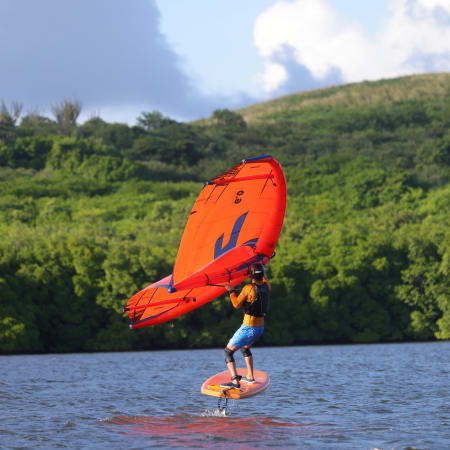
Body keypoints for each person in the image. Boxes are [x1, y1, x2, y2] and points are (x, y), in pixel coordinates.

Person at [220, 263, 270, 389]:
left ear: (251, 276)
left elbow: (236, 304)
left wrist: (231, 291)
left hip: (248, 328)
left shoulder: (248, 288)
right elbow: (263, 278)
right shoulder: (267, 286)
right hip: (260, 328)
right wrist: (261, 264)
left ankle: (235, 382)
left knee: (227, 353)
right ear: (263, 275)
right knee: (244, 348)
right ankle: (250, 377)